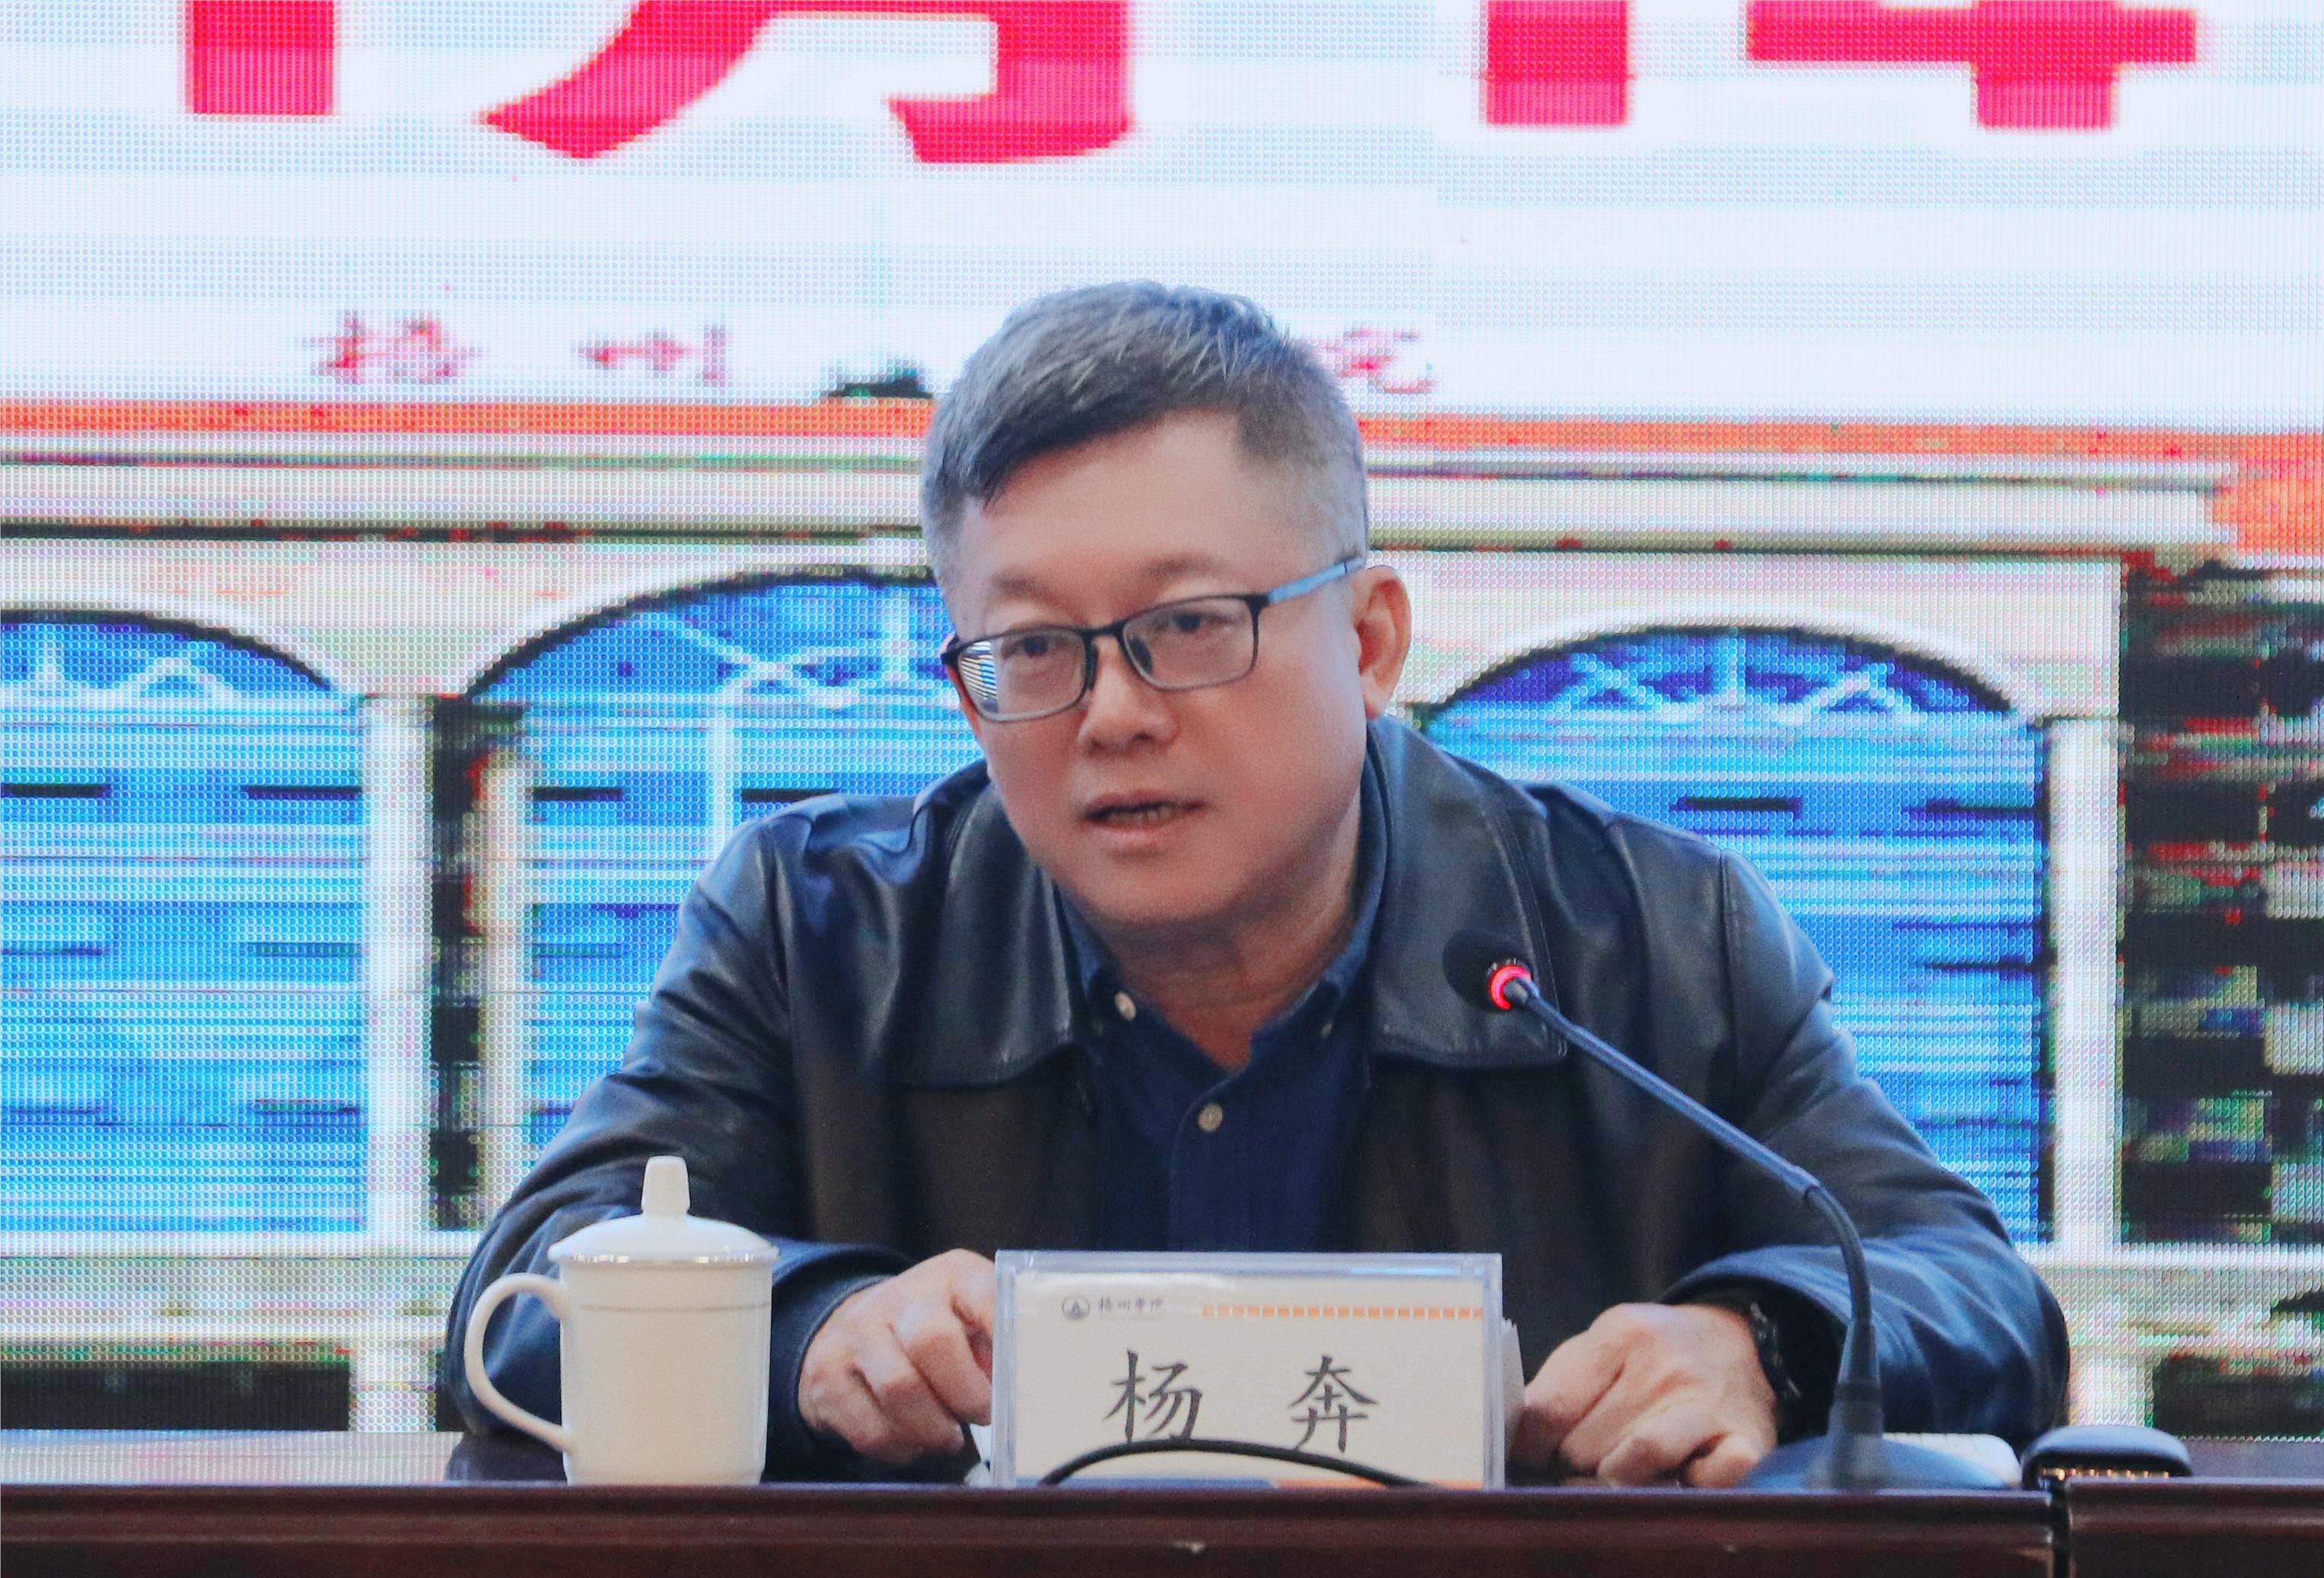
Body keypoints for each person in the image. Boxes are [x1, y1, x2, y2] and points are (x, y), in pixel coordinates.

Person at [447, 282, 2068, 1486]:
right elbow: (520, 1304)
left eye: (1188, 624)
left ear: (1367, 640)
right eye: (1034, 648)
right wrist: (810, 1333)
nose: (1115, 711)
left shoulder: (1648, 937)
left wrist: (1761, 1340)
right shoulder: (823, 929)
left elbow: (1975, 1295)